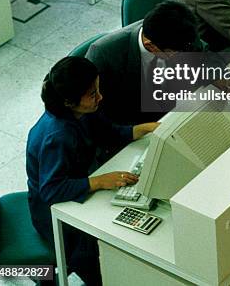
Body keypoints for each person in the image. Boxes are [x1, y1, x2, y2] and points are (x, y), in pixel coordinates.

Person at [26, 56, 158, 286]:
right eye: (92, 94)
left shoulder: (82, 112)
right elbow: (51, 190)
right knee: (95, 256)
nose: (100, 97)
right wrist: (98, 182)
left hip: (74, 187)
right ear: (69, 101)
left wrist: (142, 130)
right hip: (52, 212)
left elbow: (107, 132)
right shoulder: (57, 136)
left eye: (97, 89)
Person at [85, 0, 202, 121]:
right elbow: (94, 114)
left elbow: (201, 52)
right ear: (150, 46)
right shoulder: (104, 56)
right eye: (173, 54)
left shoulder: (181, 31)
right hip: (132, 123)